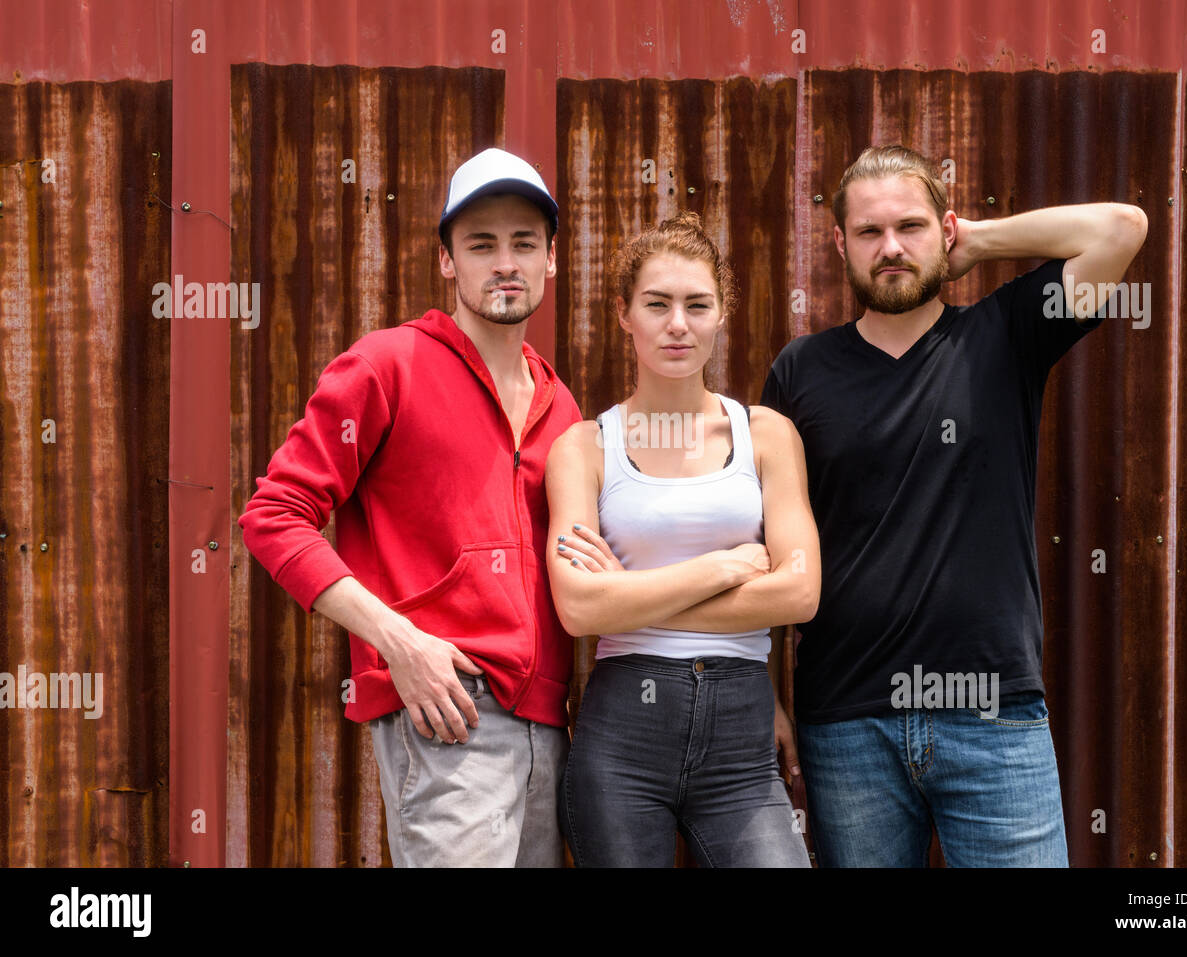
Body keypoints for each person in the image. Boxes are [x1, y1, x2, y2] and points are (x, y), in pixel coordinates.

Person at [760, 144, 1147, 867]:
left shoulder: (1007, 334)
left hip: (995, 716)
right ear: (840, 244)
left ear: (945, 230)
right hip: (848, 724)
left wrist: (980, 241)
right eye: (870, 233)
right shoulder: (800, 371)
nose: (892, 248)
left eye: (910, 226)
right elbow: (771, 543)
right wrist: (766, 696)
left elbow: (1122, 228)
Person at [238, 147, 583, 867]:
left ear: (552, 259)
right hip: (449, 712)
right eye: (481, 245)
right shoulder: (386, 365)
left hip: (548, 724)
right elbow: (273, 515)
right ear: (447, 261)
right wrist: (401, 644)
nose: (505, 263)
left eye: (524, 242)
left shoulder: (561, 405)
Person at [544, 211, 820, 867]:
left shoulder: (767, 435)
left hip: (742, 745)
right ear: (623, 313)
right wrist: (726, 566)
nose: (678, 324)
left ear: (721, 313)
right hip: (621, 746)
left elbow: (802, 590)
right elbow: (579, 608)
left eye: (697, 304)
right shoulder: (584, 448)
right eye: (657, 304)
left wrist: (629, 593)